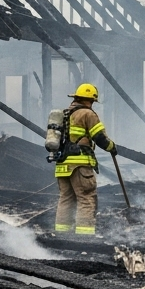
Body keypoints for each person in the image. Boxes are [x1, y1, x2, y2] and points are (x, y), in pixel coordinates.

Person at [53, 83, 115, 237]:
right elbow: (100, 138)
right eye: (92, 101)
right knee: (86, 198)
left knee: (65, 199)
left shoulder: (64, 114)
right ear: (89, 100)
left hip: (62, 164)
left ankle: (62, 235)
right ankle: (84, 237)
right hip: (80, 165)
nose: (92, 104)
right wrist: (112, 147)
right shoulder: (88, 114)